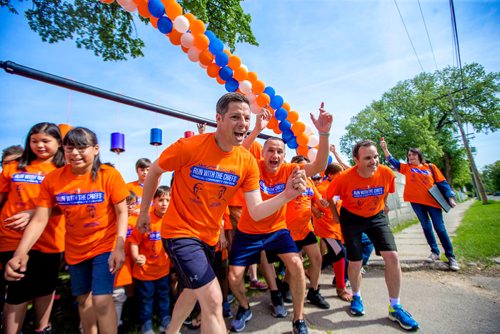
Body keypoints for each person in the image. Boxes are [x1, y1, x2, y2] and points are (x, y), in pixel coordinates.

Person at [136, 93, 307, 334]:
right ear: (219, 119)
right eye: (235, 116)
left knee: (191, 292)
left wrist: (287, 195)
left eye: (246, 118)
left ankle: (171, 331)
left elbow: (256, 211)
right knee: (214, 299)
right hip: (179, 233)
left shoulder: (247, 162)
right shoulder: (190, 147)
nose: (243, 123)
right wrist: (144, 213)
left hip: (208, 238)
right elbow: (155, 171)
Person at [5, 127, 129, 334]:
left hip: (104, 246)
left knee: (102, 300)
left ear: (96, 149)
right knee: (83, 300)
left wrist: (119, 245)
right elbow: (40, 219)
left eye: (82, 148)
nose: (75, 153)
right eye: (70, 148)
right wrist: (21, 252)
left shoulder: (109, 175)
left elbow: (122, 212)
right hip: (75, 249)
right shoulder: (53, 179)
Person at [228, 102, 333, 334]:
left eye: (279, 152)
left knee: (296, 264)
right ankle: (244, 307)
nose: (274, 155)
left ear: (284, 157)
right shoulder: (253, 166)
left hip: (277, 229)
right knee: (234, 277)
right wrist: (255, 129)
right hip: (248, 231)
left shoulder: (290, 170)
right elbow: (238, 153)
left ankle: (298, 319)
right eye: (270, 150)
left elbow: (319, 165)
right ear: (262, 153)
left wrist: (323, 133)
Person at [326, 140, 419, 331]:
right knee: (355, 261)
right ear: (356, 160)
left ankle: (395, 307)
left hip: (376, 216)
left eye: (375, 156)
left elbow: (386, 192)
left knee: (392, 257)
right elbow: (329, 197)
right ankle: (357, 297)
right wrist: (336, 218)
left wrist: (382, 208)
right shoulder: (344, 178)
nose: (373, 161)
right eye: (368, 158)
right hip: (351, 218)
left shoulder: (385, 173)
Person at [0, 123, 65, 334]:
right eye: (34, 140)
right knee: (18, 289)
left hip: (50, 239)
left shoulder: (64, 171)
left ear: (58, 143)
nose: (40, 145)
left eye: (46, 141)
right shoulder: (14, 167)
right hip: (12, 237)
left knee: (45, 288)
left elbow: (65, 205)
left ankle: (42, 328)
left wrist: (34, 214)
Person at [380, 139, 459, 271]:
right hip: (416, 203)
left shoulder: (430, 167)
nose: (411, 157)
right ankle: (435, 252)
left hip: (433, 203)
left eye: (413, 155)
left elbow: (442, 182)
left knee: (440, 228)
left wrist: (450, 197)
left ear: (419, 156)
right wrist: (384, 148)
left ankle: (451, 257)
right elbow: (391, 160)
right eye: (409, 155)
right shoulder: (406, 168)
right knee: (426, 227)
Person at [285, 155, 330, 309]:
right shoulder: (287, 182)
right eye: (302, 167)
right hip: (289, 231)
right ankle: (286, 287)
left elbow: (317, 199)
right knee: (295, 266)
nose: (305, 171)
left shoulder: (310, 181)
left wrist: (323, 203)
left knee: (317, 259)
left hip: (306, 229)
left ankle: (314, 291)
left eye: (307, 167)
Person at [130, 186, 172, 334]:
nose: (164, 203)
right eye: (160, 200)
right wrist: (136, 257)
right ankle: (146, 324)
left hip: (163, 270)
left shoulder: (171, 219)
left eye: (168, 200)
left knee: (164, 296)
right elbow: (134, 241)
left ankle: (165, 320)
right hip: (145, 271)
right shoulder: (145, 219)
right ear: (153, 201)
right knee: (145, 299)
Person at [312, 162, 352, 302]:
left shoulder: (340, 187)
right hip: (325, 228)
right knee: (340, 253)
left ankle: (311, 271)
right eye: (339, 174)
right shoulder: (322, 188)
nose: (342, 176)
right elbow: (311, 201)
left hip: (336, 229)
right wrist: (315, 210)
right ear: (330, 175)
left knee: (334, 253)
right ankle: (341, 288)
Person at [112, 191, 139, 330]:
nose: (129, 206)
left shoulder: (137, 221)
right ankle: (118, 321)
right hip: (121, 261)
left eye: (132, 204)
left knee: (131, 290)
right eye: (126, 203)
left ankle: (129, 315)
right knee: (118, 291)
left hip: (134, 261)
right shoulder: (114, 220)